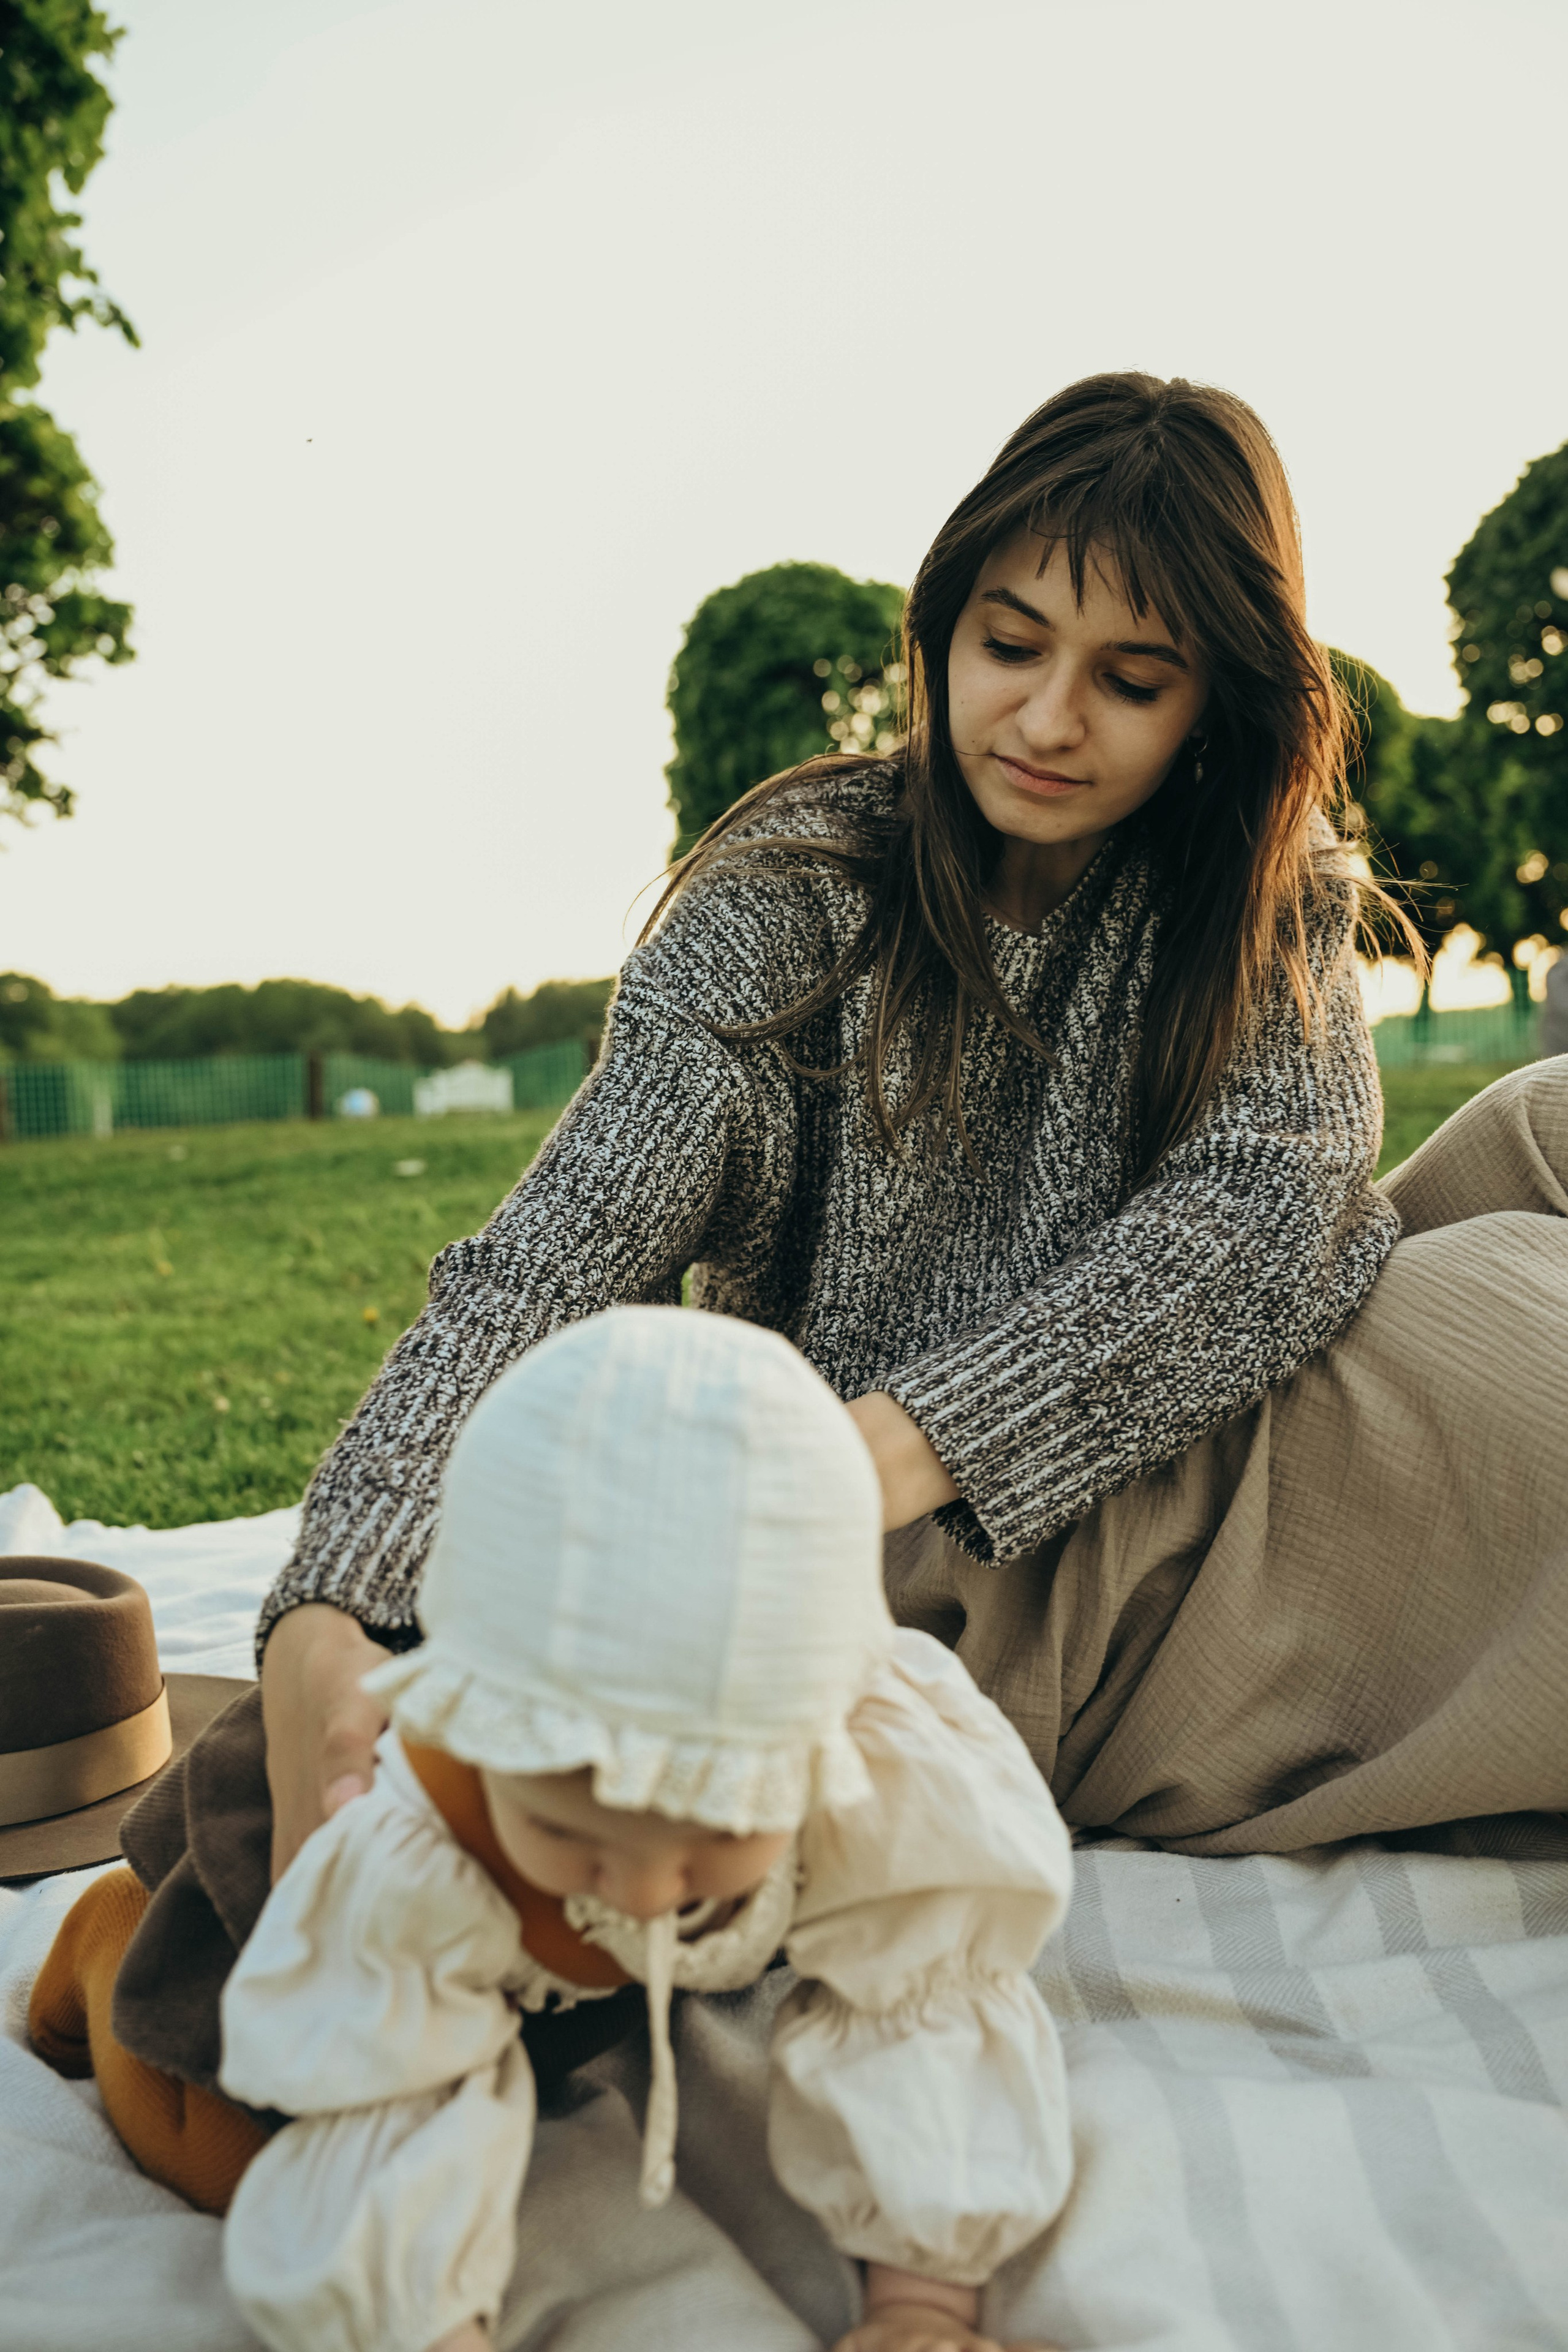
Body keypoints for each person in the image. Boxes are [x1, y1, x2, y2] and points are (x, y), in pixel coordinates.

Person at [261, 368, 1568, 1883]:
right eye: (1009, 644)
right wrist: (330, 1603)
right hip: (1002, 1583)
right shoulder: (789, 898)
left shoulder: (1253, 890)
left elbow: (1271, 1215)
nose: (1046, 718)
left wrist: (869, 1454)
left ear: (1215, 698)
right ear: (941, 622)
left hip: (1167, 1424)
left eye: (1131, 680)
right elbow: (547, 1268)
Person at [37, 1308, 1076, 2352]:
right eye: (570, 1830)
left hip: (557, 1973)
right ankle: (110, 1928)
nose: (635, 1888)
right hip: (276, 1863)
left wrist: (920, 2306)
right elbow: (381, 2130)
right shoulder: (410, 1836)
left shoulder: (874, 1760)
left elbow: (922, 2004)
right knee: (228, 2152)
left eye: (712, 1834)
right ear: (483, 1740)